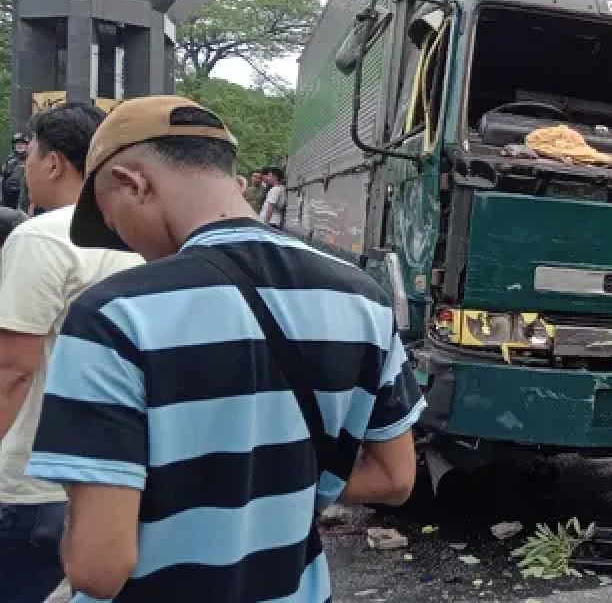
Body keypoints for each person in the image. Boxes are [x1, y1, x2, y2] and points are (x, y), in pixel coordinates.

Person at [24, 96, 425, 601]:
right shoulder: (362, 298)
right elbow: (394, 478)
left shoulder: (113, 316)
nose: (123, 240)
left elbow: (98, 568)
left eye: (112, 218)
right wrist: (267, 484)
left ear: (133, 182)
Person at [0, 103, 143, 603]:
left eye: (31, 157)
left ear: (56, 163)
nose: (28, 169)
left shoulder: (41, 237)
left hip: (30, 481)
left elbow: (11, 371)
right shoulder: (137, 233)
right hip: (111, 479)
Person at [1, 133, 28, 209]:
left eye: (22, 143)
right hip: (10, 196)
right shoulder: (9, 161)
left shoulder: (31, 160)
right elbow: (3, 179)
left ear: (27, 145)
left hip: (26, 195)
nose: (20, 145)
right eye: (17, 143)